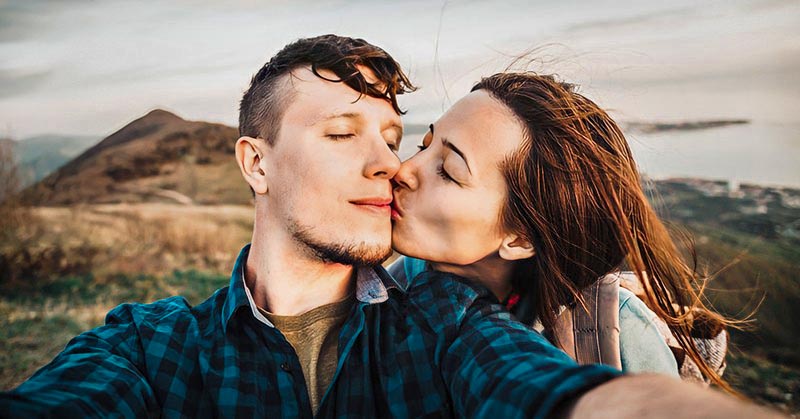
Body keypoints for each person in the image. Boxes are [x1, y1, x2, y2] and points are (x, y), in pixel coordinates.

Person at [0, 35, 779, 418]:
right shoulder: (151, 343)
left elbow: (572, 397)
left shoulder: (445, 323)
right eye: (342, 135)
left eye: (396, 139)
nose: (390, 165)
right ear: (256, 163)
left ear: (518, 237)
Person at [389, 72, 729, 386]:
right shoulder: (394, 287)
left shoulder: (616, 338)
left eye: (448, 170)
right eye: (424, 146)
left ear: (521, 238)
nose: (402, 169)